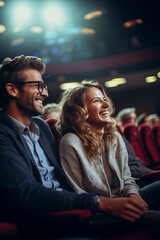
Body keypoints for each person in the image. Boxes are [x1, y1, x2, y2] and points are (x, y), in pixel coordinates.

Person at [0, 56, 159, 240]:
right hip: (51, 218)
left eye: (43, 86)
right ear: (12, 89)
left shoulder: (41, 127)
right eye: (37, 86)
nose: (44, 93)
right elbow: (26, 193)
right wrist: (97, 202)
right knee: (154, 221)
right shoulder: (3, 132)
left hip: (78, 205)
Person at [57, 80, 160, 238]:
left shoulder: (114, 137)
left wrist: (134, 196)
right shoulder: (70, 142)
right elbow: (78, 192)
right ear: (80, 110)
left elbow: (127, 178)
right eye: (96, 101)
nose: (105, 104)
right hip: (103, 211)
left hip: (125, 197)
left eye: (104, 99)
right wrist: (112, 204)